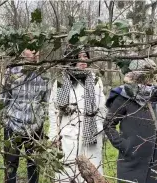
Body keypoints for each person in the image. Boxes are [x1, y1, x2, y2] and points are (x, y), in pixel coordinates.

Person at [104, 58, 157, 183]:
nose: (148, 78)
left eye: (151, 73)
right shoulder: (124, 96)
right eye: (145, 73)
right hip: (131, 163)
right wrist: (125, 146)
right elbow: (108, 124)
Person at [48, 49, 107, 182]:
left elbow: (102, 108)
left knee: (91, 172)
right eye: (78, 57)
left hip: (91, 136)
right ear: (71, 61)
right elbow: (54, 111)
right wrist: (53, 135)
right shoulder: (61, 81)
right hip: (68, 136)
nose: (82, 61)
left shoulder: (96, 80)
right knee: (67, 173)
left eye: (85, 57)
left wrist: (100, 131)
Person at [0, 49, 50, 183]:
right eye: (31, 50)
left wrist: (38, 123)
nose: (35, 53)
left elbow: (46, 102)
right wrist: (5, 121)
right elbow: (3, 99)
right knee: (10, 165)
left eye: (37, 50)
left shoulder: (44, 74)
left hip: (34, 128)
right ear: (23, 52)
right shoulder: (11, 72)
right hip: (12, 126)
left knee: (34, 165)